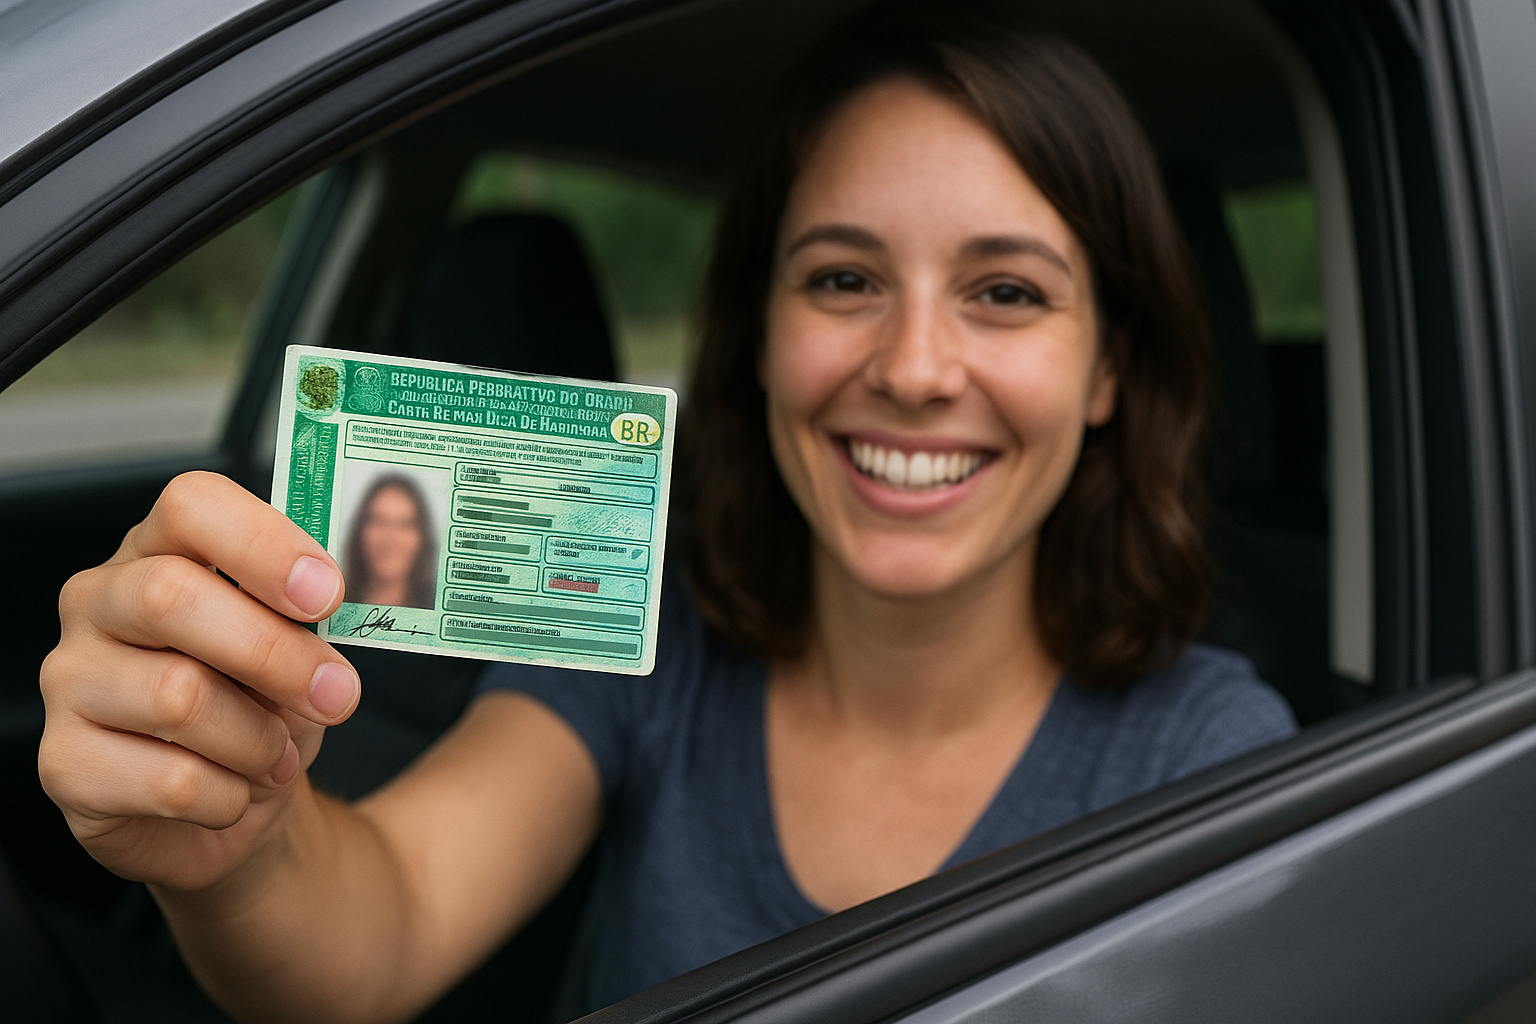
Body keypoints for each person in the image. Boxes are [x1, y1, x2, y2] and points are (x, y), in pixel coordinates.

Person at [37, 2, 1297, 1020]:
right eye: (844, 277)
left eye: (1008, 292)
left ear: (1109, 373)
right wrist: (240, 843)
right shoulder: (652, 650)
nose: (914, 369)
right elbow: (389, 921)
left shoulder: (1214, 758)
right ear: (755, 336)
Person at [341, 472, 438, 610]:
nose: (390, 538)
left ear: (423, 538)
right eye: (379, 521)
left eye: (404, 524)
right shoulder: (332, 603)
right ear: (359, 531)